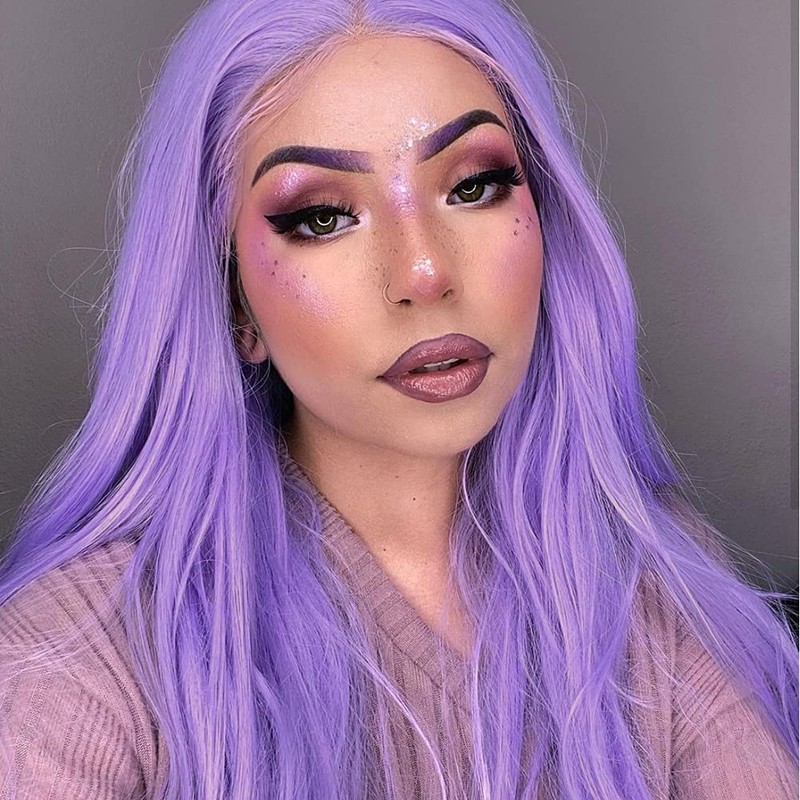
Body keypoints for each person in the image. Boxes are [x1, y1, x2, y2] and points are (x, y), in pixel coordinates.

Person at [0, 1, 797, 798]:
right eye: (323, 218)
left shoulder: (653, 582)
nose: (424, 272)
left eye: (473, 186)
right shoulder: (74, 663)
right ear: (236, 304)